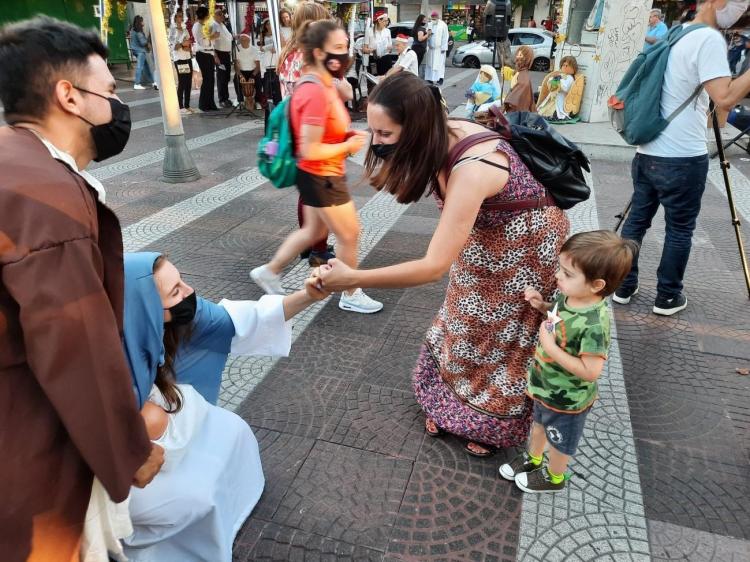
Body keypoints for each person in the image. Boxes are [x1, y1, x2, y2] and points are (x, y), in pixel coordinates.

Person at [317, 72, 570, 456]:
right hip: (487, 233)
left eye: (385, 134)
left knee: (499, 334)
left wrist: (353, 278)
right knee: (463, 314)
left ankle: (489, 422)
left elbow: (433, 266)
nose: (376, 142)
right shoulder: (438, 133)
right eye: (373, 131)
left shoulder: (472, 167)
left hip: (528, 246)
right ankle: (449, 405)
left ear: (417, 128)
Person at [0, 16, 163, 561]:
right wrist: (129, 451)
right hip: (27, 448)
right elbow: (76, 348)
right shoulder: (46, 198)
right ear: (69, 96)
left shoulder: (12, 163)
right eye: (111, 93)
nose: (119, 109)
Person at [119, 253, 328, 561]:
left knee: (234, 430)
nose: (189, 292)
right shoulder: (98, 359)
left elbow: (240, 319)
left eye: (182, 280)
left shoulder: (181, 312)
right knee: (193, 497)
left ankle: (234, 506)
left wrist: (309, 295)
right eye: (175, 291)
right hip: (123, 461)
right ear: (146, 309)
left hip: (170, 419)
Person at [615, 0, 750, 316]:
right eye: (740, 5)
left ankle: (622, 285)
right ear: (717, 2)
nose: (740, 14)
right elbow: (726, 98)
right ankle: (668, 296)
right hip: (682, 156)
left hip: (647, 149)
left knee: (636, 221)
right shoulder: (709, 39)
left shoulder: (676, 33)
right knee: (679, 229)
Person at [251, 20, 383, 315]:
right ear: (317, 51)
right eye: (337, 48)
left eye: (346, 47)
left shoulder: (317, 84)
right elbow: (310, 147)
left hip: (317, 172)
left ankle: (269, 271)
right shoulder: (315, 92)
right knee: (350, 235)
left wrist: (342, 137)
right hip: (322, 173)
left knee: (312, 230)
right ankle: (350, 291)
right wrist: (347, 146)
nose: (344, 54)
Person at [498, 231, 637, 492]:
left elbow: (590, 371)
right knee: (538, 425)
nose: (558, 276)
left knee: (560, 441)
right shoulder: (570, 296)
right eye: (560, 269)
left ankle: (554, 477)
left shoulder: (595, 324)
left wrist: (549, 347)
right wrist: (542, 306)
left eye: (568, 274)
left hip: (568, 400)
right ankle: (534, 458)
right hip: (544, 386)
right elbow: (558, 314)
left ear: (597, 285)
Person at [193, 6, 220, 111]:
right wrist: (213, 36)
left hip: (209, 54)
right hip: (202, 54)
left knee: (211, 79)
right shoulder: (197, 26)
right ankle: (203, 104)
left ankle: (210, 103)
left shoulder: (205, 25)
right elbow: (203, 41)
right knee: (207, 79)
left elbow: (210, 41)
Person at [537, 55, 578, 120]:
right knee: (544, 109)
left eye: (567, 65)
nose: (564, 67)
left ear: (573, 67)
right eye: (563, 65)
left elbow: (565, 87)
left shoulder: (570, 78)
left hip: (560, 98)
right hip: (552, 97)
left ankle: (555, 115)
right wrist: (553, 81)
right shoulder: (560, 75)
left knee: (557, 110)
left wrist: (558, 81)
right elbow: (550, 82)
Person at [169, 11, 194, 114]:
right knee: (182, 82)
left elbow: (189, 46)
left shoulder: (185, 30)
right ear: (175, 18)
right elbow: (174, 47)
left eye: (182, 16)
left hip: (187, 57)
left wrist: (187, 47)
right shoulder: (172, 31)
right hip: (179, 59)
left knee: (188, 82)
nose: (181, 18)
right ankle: (180, 106)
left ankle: (187, 105)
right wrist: (182, 44)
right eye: (179, 16)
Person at [504, 45, 537, 113]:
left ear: (527, 58)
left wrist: (507, 102)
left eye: (520, 55)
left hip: (517, 109)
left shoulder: (523, 74)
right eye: (517, 54)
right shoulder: (520, 72)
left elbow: (521, 85)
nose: (517, 57)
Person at [213, 7, 234, 108]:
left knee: (226, 77)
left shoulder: (223, 25)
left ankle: (226, 98)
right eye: (219, 14)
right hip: (219, 54)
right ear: (215, 15)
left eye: (222, 14)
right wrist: (215, 56)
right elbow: (211, 43)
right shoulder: (214, 25)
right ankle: (222, 99)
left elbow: (229, 37)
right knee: (221, 77)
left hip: (226, 54)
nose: (222, 16)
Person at [258, 19, 282, 108]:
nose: (268, 26)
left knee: (276, 84)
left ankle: (278, 102)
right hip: (267, 59)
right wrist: (270, 47)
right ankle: (268, 103)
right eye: (267, 24)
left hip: (275, 59)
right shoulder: (263, 34)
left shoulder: (277, 34)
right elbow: (261, 48)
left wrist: (275, 48)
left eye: (270, 24)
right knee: (267, 84)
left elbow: (281, 45)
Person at [234, 33, 261, 108]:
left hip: (253, 71)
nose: (243, 41)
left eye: (245, 39)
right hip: (242, 71)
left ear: (249, 40)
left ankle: (258, 101)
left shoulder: (254, 50)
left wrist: (252, 76)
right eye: (242, 39)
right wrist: (240, 75)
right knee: (236, 80)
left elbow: (258, 66)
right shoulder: (236, 49)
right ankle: (241, 101)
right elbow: (236, 65)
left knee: (258, 81)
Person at [364, 11, 393, 76]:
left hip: (386, 58)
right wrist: (370, 50)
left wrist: (390, 48)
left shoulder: (387, 31)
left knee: (387, 78)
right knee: (374, 78)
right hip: (374, 58)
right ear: (379, 20)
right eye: (385, 21)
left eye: (387, 21)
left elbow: (390, 49)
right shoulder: (369, 31)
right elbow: (364, 49)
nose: (387, 23)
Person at [425, 11, 449, 85]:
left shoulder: (443, 25)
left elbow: (445, 37)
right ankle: (430, 79)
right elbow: (426, 36)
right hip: (431, 49)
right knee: (430, 64)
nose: (433, 20)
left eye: (435, 18)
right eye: (432, 18)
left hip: (439, 49)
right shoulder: (429, 24)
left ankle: (440, 79)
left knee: (439, 64)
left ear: (438, 17)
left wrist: (444, 47)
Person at [130, 15, 154, 89]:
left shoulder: (133, 30)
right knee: (140, 67)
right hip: (140, 51)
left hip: (136, 50)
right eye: (142, 21)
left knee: (146, 67)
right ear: (139, 22)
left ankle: (153, 82)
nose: (143, 22)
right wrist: (149, 39)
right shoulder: (138, 31)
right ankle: (137, 84)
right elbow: (143, 42)